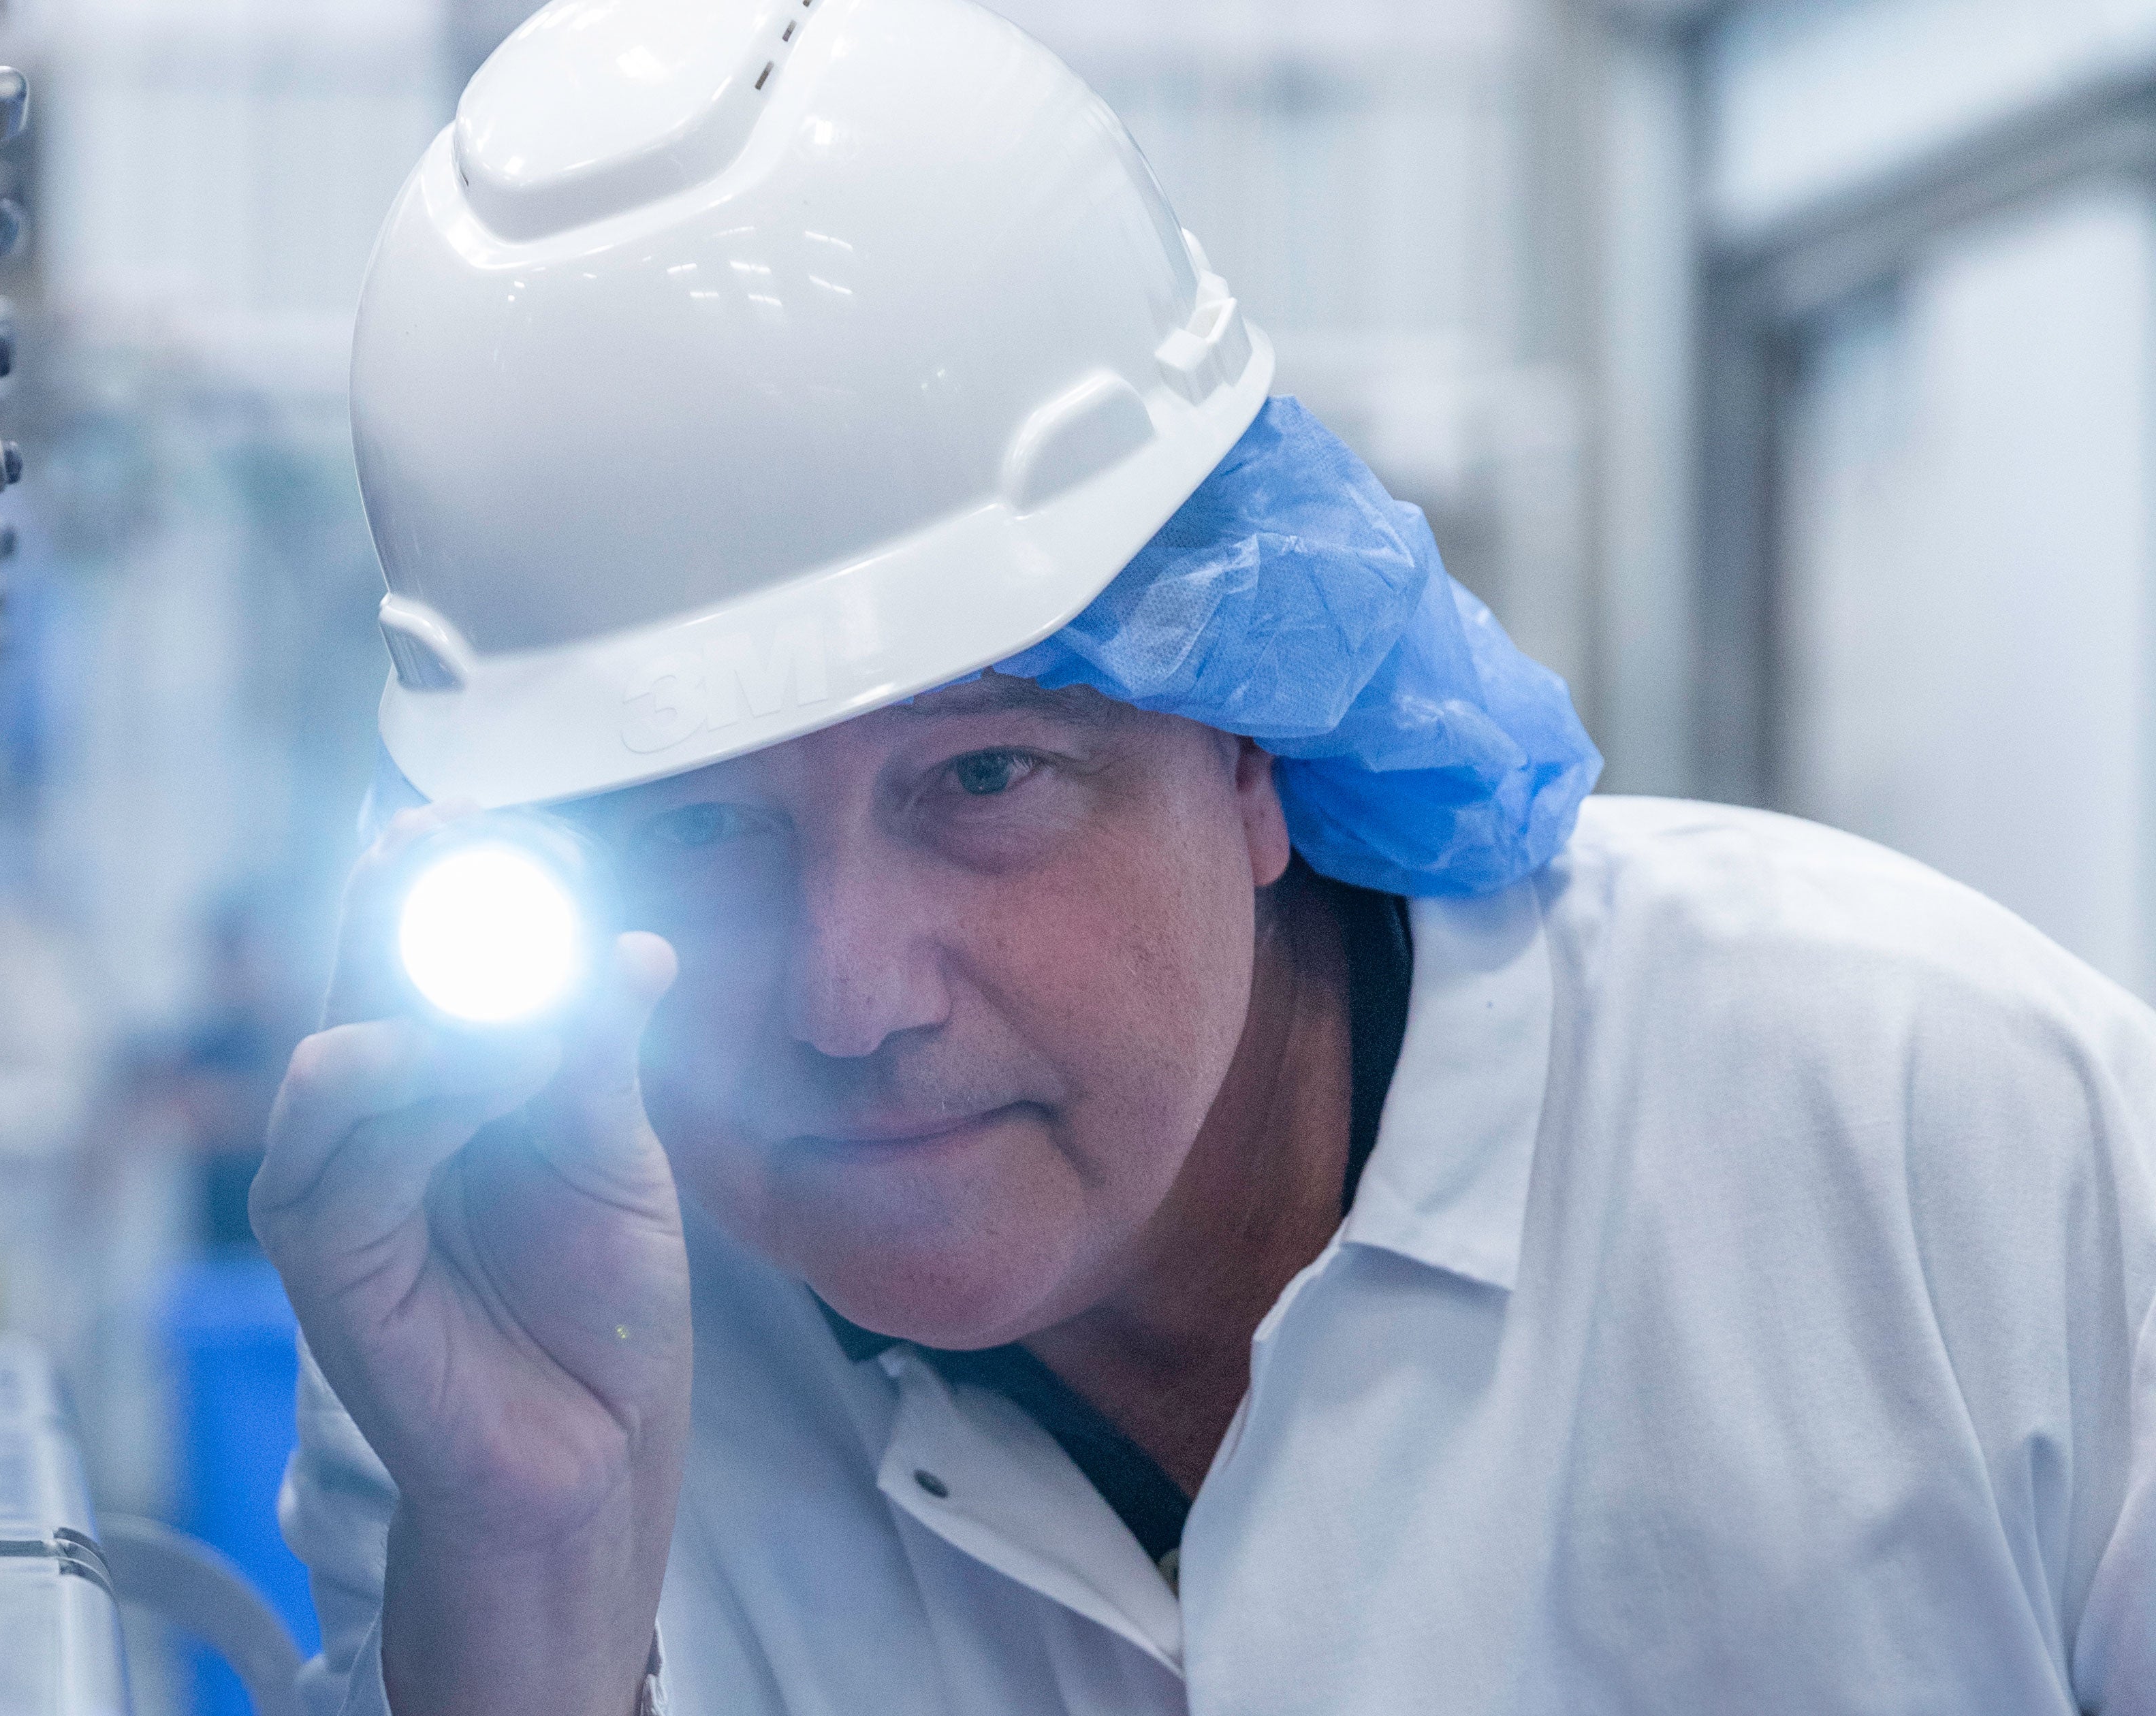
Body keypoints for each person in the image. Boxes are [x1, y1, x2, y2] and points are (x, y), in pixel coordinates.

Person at [250, 0, 2156, 1709]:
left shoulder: (1935, 1138)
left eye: (986, 776)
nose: (850, 991)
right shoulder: (518, 1331)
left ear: (1251, 730)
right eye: (694, 831)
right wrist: (530, 1575)